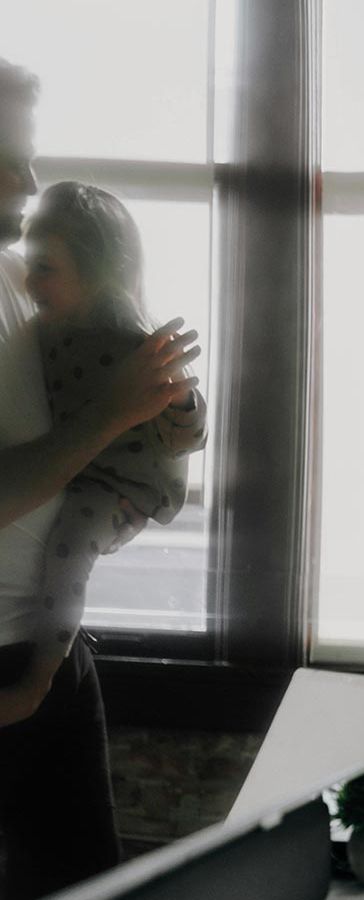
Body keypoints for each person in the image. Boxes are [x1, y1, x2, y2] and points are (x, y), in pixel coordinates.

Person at [0, 56, 200, 898]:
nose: (29, 176)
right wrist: (112, 415)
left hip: (51, 649)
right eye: (8, 153)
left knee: (90, 886)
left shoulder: (26, 281)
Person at [24, 180, 208, 661]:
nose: (29, 283)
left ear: (96, 273)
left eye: (44, 269)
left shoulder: (133, 342)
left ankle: (42, 675)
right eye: (30, 267)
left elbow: (189, 436)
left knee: (69, 546)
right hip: (79, 465)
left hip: (122, 487)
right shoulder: (43, 332)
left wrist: (181, 401)